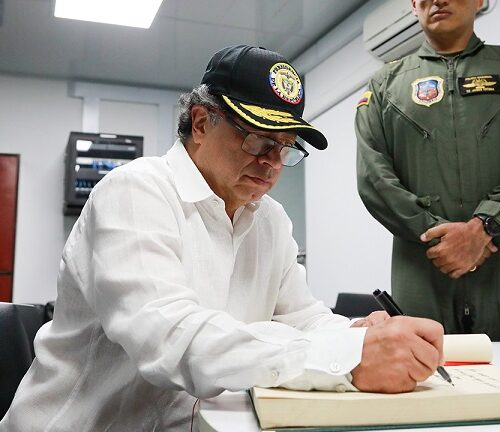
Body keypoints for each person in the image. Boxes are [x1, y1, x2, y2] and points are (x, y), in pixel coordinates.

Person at [1, 45, 444, 431]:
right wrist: (345, 358)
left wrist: (356, 334)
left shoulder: (270, 220)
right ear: (200, 122)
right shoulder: (135, 191)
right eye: (258, 141)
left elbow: (303, 318)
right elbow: (171, 339)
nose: (272, 163)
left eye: (285, 147)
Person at [355, 0, 500, 342]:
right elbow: (373, 174)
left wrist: (486, 225)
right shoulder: (385, 85)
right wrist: (440, 236)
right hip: (423, 266)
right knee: (424, 365)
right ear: (413, 6)